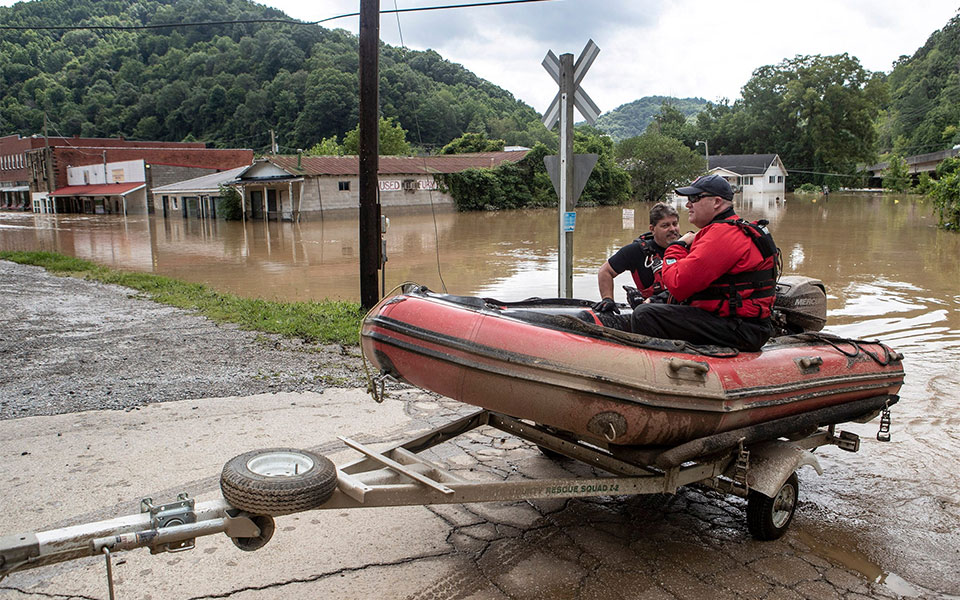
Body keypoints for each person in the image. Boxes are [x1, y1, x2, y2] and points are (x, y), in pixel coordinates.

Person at [605, 174, 778, 352]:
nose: (688, 204)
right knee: (653, 307)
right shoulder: (728, 230)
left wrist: (676, 246)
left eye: (694, 198)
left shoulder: (722, 236)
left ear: (716, 202)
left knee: (644, 315)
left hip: (742, 329)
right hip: (740, 323)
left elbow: (676, 284)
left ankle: (665, 373)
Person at [593, 202, 680, 315]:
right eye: (665, 225)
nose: (672, 229)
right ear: (652, 229)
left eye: (675, 224)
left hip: (684, 312)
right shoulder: (636, 251)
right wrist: (608, 298)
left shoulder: (691, 247)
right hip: (651, 314)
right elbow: (605, 271)